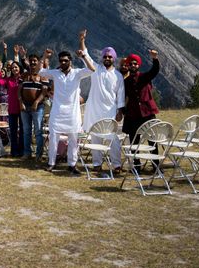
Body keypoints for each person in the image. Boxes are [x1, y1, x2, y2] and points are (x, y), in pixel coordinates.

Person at [40, 47, 94, 175]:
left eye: (65, 60)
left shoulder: (77, 73)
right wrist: (45, 57)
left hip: (73, 114)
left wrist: (83, 56)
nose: (63, 63)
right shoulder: (55, 73)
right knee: (53, 138)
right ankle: (51, 163)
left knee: (74, 140)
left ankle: (72, 165)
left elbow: (92, 69)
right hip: (57, 113)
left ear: (70, 61)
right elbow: (40, 72)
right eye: (61, 61)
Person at [79, 30, 125, 174]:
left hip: (110, 112)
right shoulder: (96, 70)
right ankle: (97, 164)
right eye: (105, 56)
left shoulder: (118, 76)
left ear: (114, 59)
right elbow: (85, 55)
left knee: (114, 141)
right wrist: (81, 40)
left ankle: (116, 165)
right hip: (94, 111)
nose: (107, 58)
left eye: (109, 56)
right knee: (96, 139)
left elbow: (121, 95)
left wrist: (120, 111)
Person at [120, 50, 160, 147]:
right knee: (134, 140)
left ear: (138, 65)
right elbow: (122, 96)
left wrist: (155, 58)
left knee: (152, 139)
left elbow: (155, 70)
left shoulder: (145, 77)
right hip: (132, 114)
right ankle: (136, 162)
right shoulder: (125, 81)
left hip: (148, 112)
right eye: (130, 64)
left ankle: (155, 161)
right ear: (128, 66)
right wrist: (123, 110)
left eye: (135, 63)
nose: (133, 65)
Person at [19, 54, 48, 161]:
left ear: (38, 62)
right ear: (28, 62)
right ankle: (27, 153)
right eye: (31, 61)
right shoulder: (24, 75)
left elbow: (44, 91)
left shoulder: (42, 76)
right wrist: (20, 102)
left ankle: (39, 154)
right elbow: (19, 90)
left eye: (35, 61)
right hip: (25, 107)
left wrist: (36, 101)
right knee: (26, 131)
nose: (33, 63)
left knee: (38, 131)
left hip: (38, 107)